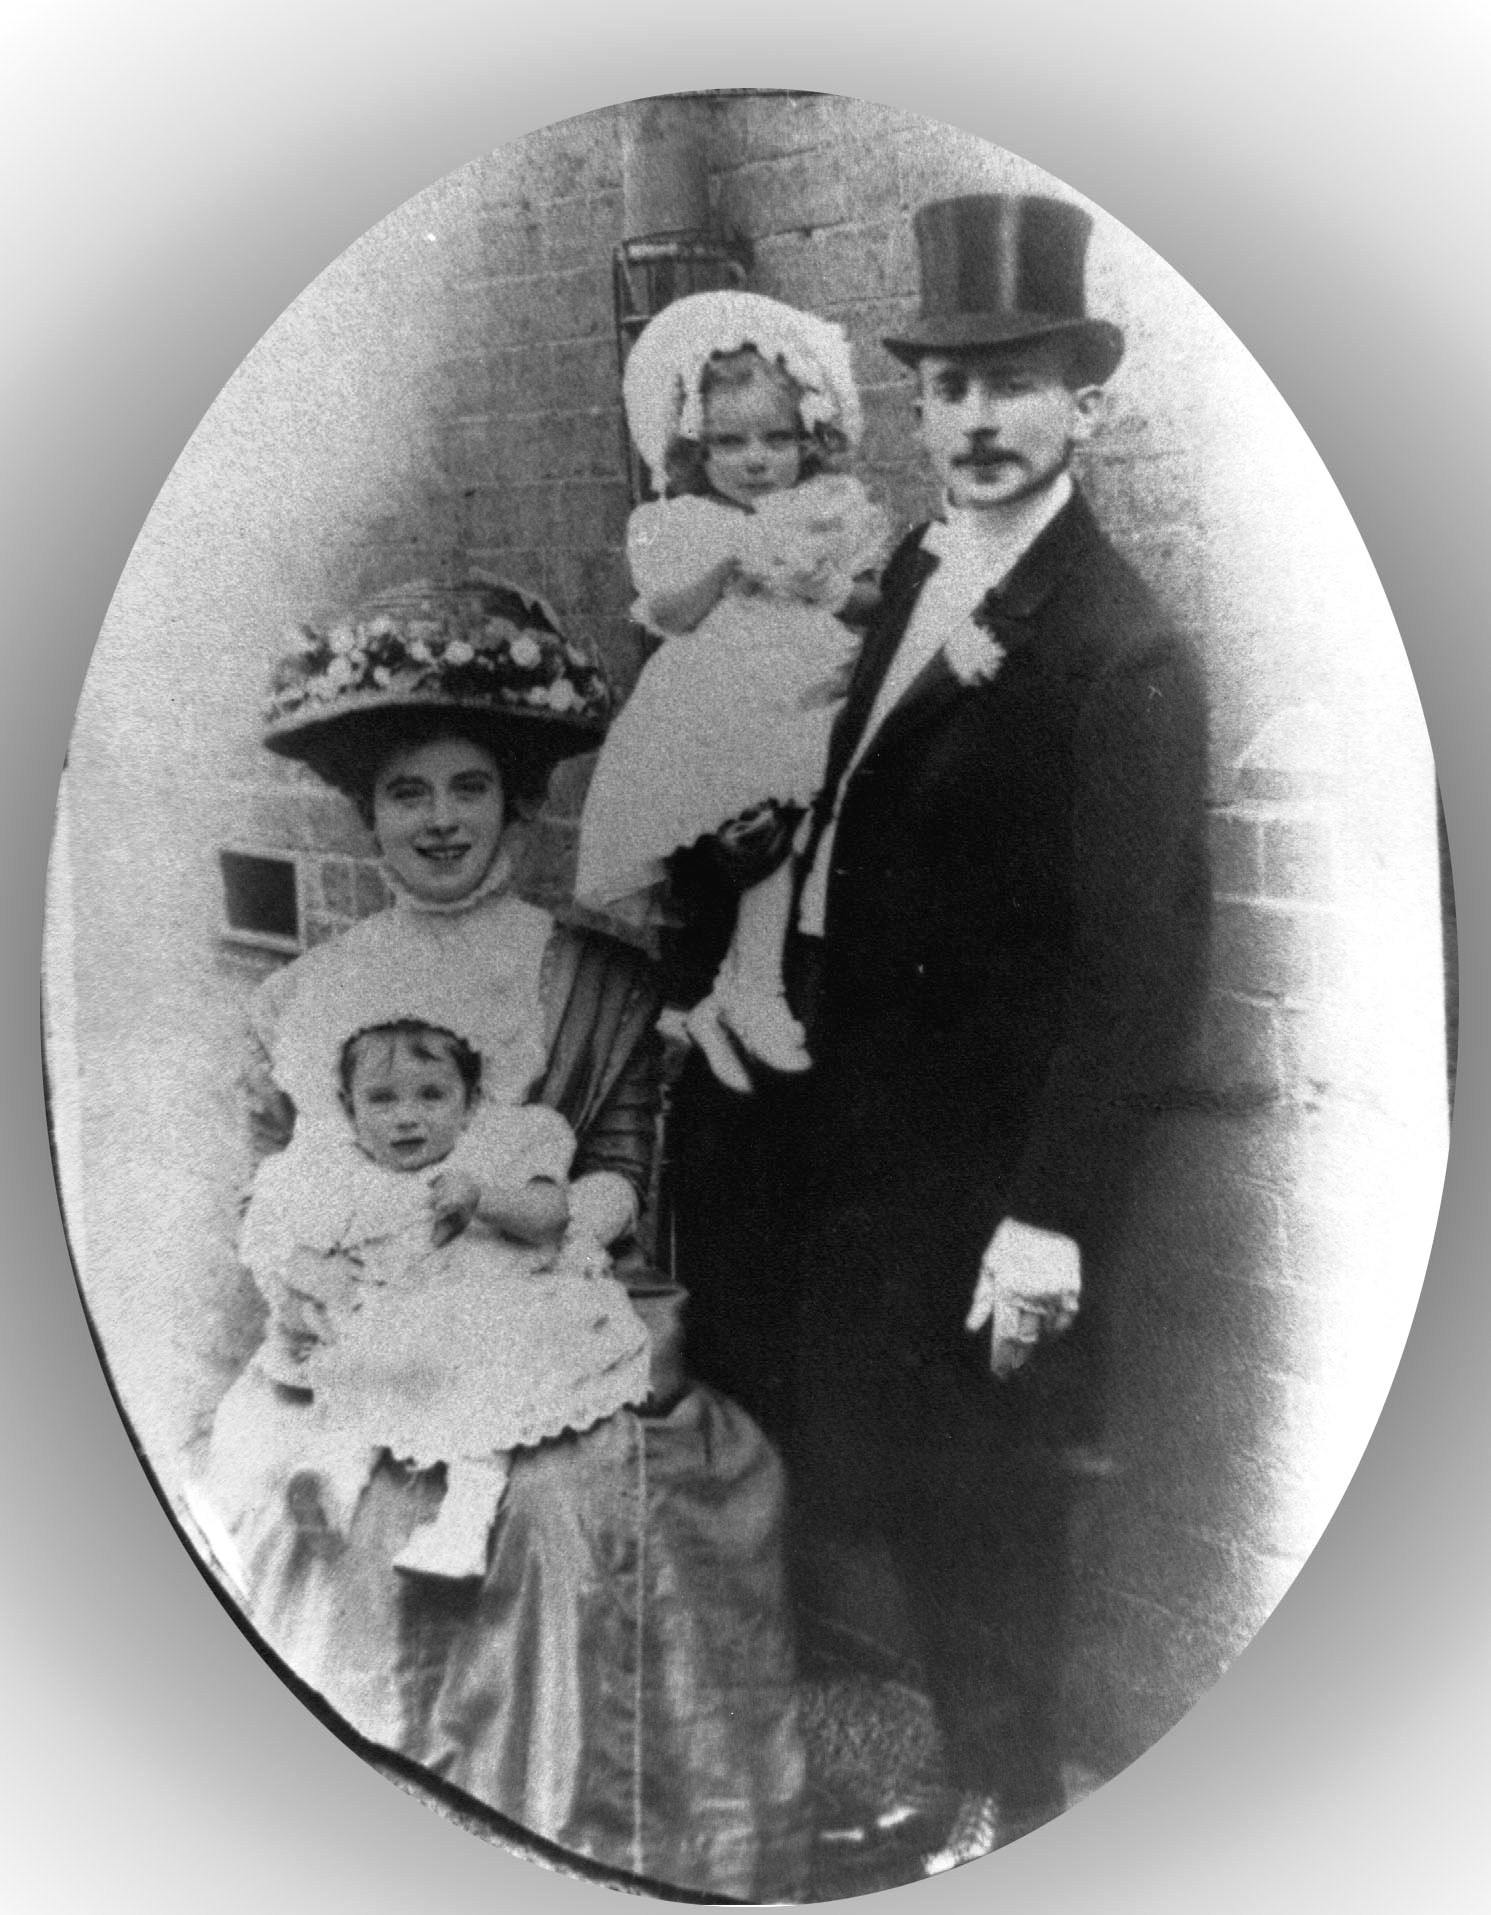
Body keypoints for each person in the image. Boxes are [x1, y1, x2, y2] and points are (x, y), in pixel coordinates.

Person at [685, 196, 1211, 1867]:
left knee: (993, 1486)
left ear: (1085, 403)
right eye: (949, 387)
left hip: (988, 1155)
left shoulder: (1117, 647)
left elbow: (1135, 971)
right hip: (862, 1118)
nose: (978, 418)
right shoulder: (920, 563)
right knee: (904, 1466)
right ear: (917, 407)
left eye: (1015, 382)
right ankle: (963, 1769)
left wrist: (1047, 1215)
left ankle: (1015, 1802)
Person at [185, 576, 807, 1901]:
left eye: (470, 787)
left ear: (516, 805)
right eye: (406, 792)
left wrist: (549, 1225)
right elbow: (275, 1179)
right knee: (288, 1487)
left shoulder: (595, 976)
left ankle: (568, 1843)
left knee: (563, 1515)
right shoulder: (309, 993)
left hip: (546, 1306)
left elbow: (620, 1166)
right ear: (367, 814)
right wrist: (299, 1280)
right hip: (362, 1329)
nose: (440, 819)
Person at [195, 1007, 652, 1586]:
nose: (407, 1117)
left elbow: (550, 1218)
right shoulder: (341, 1172)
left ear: (470, 1102)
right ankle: (333, 1486)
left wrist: (482, 1197)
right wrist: (319, 1282)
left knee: (485, 1400)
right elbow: (292, 1247)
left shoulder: (503, 1146)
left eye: (431, 1095)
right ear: (349, 1109)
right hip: (399, 1321)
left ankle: (464, 1527)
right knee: (357, 1386)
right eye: (382, 1100)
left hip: (496, 1307)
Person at [575, 290, 885, 1076]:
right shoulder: (680, 522)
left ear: (809, 437)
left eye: (777, 438)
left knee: (801, 820)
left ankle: (747, 985)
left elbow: (875, 607)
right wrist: (726, 562)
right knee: (733, 835)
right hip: (716, 697)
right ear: (696, 447)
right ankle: (722, 991)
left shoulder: (830, 508)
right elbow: (668, 616)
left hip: (809, 685)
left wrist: (825, 585)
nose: (756, 459)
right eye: (730, 441)